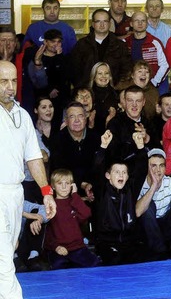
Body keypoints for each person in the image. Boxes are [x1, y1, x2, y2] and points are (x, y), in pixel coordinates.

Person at [0, 60, 56, 298]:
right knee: (4, 257)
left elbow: (34, 158)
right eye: (3, 81)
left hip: (15, 192)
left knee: (9, 248)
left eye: (13, 80)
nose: (10, 87)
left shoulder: (23, 115)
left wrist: (46, 192)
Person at [93, 130, 149, 265]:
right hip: (107, 242)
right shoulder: (102, 191)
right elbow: (97, 169)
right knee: (115, 261)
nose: (121, 175)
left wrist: (141, 147)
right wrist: (103, 147)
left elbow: (141, 170)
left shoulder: (130, 190)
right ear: (108, 176)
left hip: (128, 241)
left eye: (124, 172)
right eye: (117, 172)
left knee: (145, 258)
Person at [43, 169, 99, 270]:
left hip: (78, 248)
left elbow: (86, 214)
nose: (64, 187)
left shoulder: (75, 201)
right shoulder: (51, 205)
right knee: (60, 269)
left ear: (72, 185)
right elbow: (47, 232)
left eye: (67, 183)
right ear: (53, 186)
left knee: (94, 264)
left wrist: (75, 194)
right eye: (60, 183)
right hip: (59, 249)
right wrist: (56, 247)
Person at [49, 102, 101, 200]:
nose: (77, 120)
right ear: (66, 120)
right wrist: (82, 184)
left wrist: (91, 186)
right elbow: (59, 170)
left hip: (94, 191)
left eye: (80, 116)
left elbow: (100, 168)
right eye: (72, 117)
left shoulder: (97, 138)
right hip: (66, 193)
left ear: (86, 119)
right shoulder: (57, 140)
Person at [70, 8, 132, 88]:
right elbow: (74, 70)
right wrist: (82, 89)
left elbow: (126, 70)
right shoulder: (82, 45)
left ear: (109, 24)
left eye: (105, 21)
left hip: (113, 92)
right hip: (87, 93)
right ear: (93, 24)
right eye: (98, 21)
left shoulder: (120, 45)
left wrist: (118, 88)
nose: (102, 25)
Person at [25, 28, 71, 127]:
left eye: (59, 42)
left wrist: (60, 57)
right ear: (45, 42)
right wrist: (49, 89)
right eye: (52, 41)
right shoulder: (38, 58)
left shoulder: (64, 59)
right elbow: (34, 79)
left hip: (60, 101)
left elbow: (66, 77)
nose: (56, 44)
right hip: (42, 100)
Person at [124, 11, 169, 90]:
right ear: (131, 24)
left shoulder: (155, 43)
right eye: (136, 21)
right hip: (131, 87)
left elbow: (165, 65)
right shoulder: (125, 43)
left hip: (152, 86)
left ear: (147, 23)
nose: (140, 23)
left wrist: (154, 82)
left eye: (143, 21)